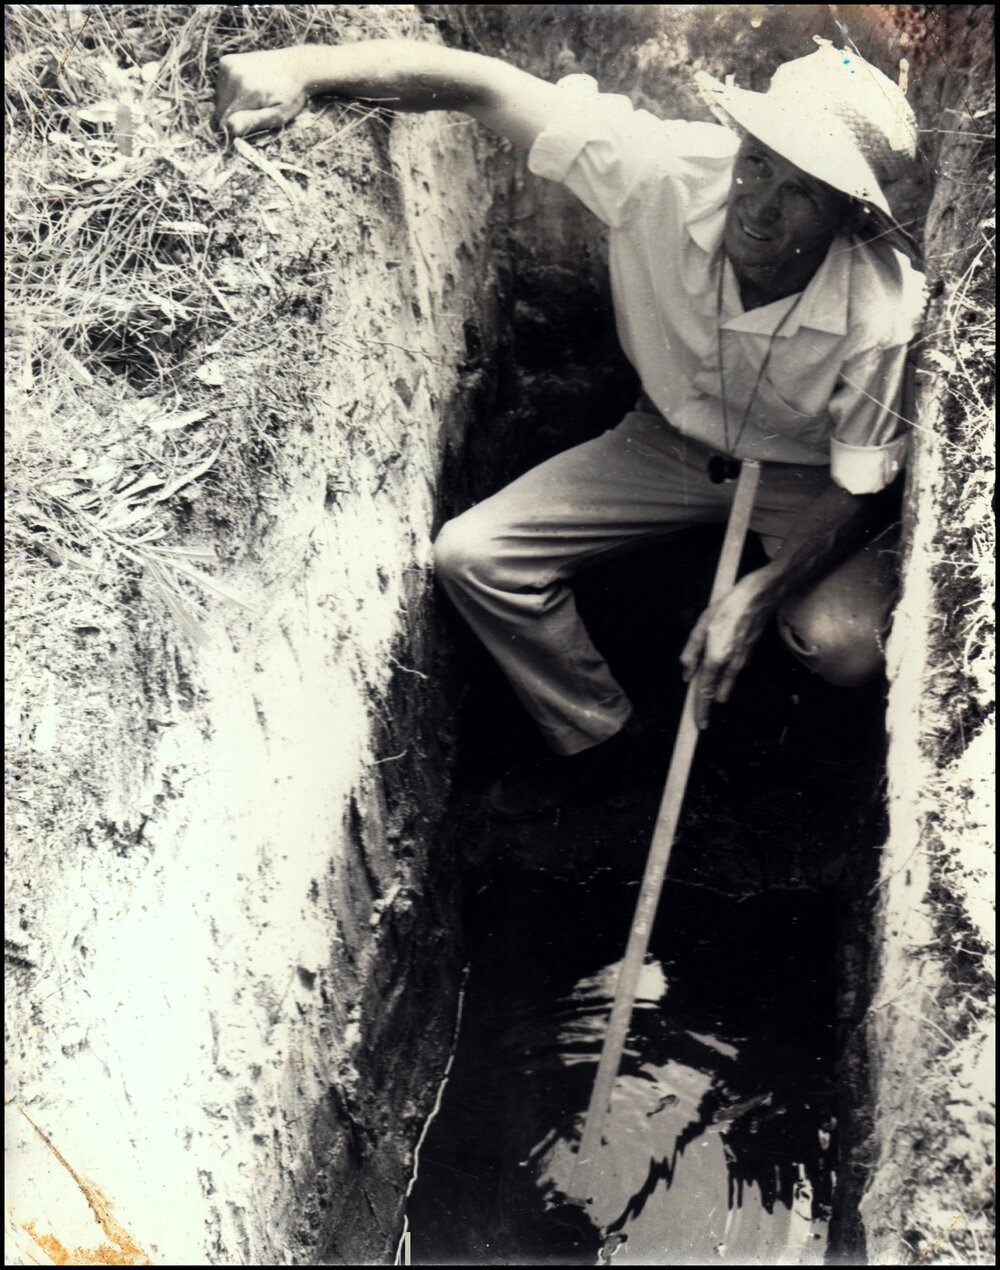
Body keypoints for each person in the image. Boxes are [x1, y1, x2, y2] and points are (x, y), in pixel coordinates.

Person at [215, 34, 926, 819]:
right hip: (664, 443)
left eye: (803, 192)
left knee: (847, 643)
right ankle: (601, 739)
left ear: (847, 213)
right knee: (472, 555)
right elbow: (481, 83)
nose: (760, 206)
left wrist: (760, 593)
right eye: (757, 163)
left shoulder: (883, 310)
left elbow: (861, 483)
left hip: (801, 480)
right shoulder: (659, 170)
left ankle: (808, 787)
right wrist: (302, 69)